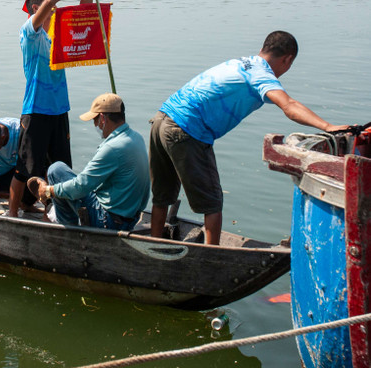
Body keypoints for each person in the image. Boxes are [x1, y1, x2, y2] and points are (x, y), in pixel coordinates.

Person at [149, 31, 348, 245]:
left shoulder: (242, 63)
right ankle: (213, 259)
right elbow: (289, 106)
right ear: (288, 59)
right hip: (186, 129)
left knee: (162, 196)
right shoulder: (261, 75)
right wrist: (329, 127)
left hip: (162, 119)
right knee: (212, 204)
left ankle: (153, 244)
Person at [8, 0, 97, 217]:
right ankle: (12, 213)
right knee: (24, 167)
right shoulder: (29, 32)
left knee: (60, 165)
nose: (56, 10)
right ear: (37, 10)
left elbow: (83, 13)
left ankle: (57, 211)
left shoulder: (57, 34)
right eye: (51, 8)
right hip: (36, 108)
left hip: (59, 108)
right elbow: (50, 0)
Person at [27, 93, 150, 230]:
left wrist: (49, 190)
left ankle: (68, 227)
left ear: (102, 118)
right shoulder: (137, 138)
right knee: (65, 183)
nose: (95, 124)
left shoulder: (112, 148)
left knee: (56, 170)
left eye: (95, 120)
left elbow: (81, 186)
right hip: (130, 218)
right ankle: (60, 211)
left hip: (108, 221)